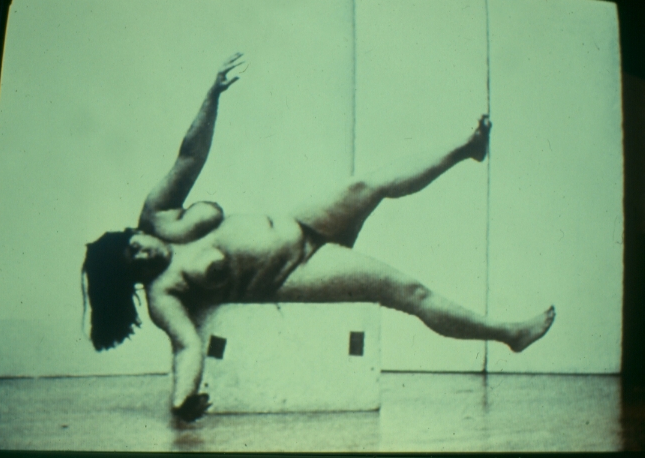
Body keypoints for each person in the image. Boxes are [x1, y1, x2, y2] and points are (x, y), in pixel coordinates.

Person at [82, 53, 556, 422]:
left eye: (132, 247)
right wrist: (182, 399)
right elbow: (186, 346)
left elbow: (190, 156)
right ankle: (509, 334)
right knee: (408, 292)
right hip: (296, 272)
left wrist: (213, 94)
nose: (143, 254)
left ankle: (467, 149)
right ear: (133, 282)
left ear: (130, 234)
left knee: (367, 185)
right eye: (135, 266)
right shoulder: (164, 293)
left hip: (300, 224)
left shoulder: (157, 214)